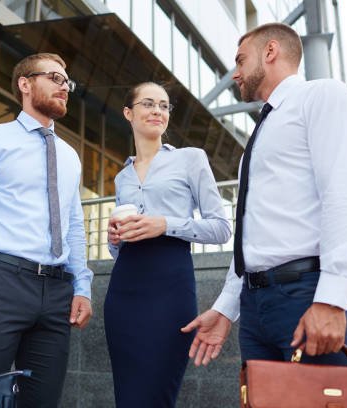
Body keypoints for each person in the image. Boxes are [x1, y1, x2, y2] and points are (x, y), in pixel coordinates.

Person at [182, 23, 347, 367]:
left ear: (270, 52)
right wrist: (226, 308)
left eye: (240, 60)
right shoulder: (264, 129)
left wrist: (332, 299)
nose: (235, 73)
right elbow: (252, 235)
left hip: (308, 294)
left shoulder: (324, 96)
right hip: (255, 309)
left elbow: (344, 196)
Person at [0, 52, 93, 408]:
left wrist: (82, 285)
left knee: (42, 402)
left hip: (57, 291)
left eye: (66, 82)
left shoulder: (70, 155)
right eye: (54, 78)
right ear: (25, 84)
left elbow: (74, 225)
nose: (64, 88)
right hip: (1, 282)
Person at [105, 82, 231, 407]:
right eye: (148, 104)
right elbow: (117, 251)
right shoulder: (122, 176)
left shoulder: (191, 159)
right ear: (128, 113)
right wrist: (113, 238)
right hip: (124, 291)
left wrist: (165, 224)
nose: (158, 111)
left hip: (170, 287)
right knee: (128, 397)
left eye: (163, 105)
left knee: (158, 396)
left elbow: (220, 228)